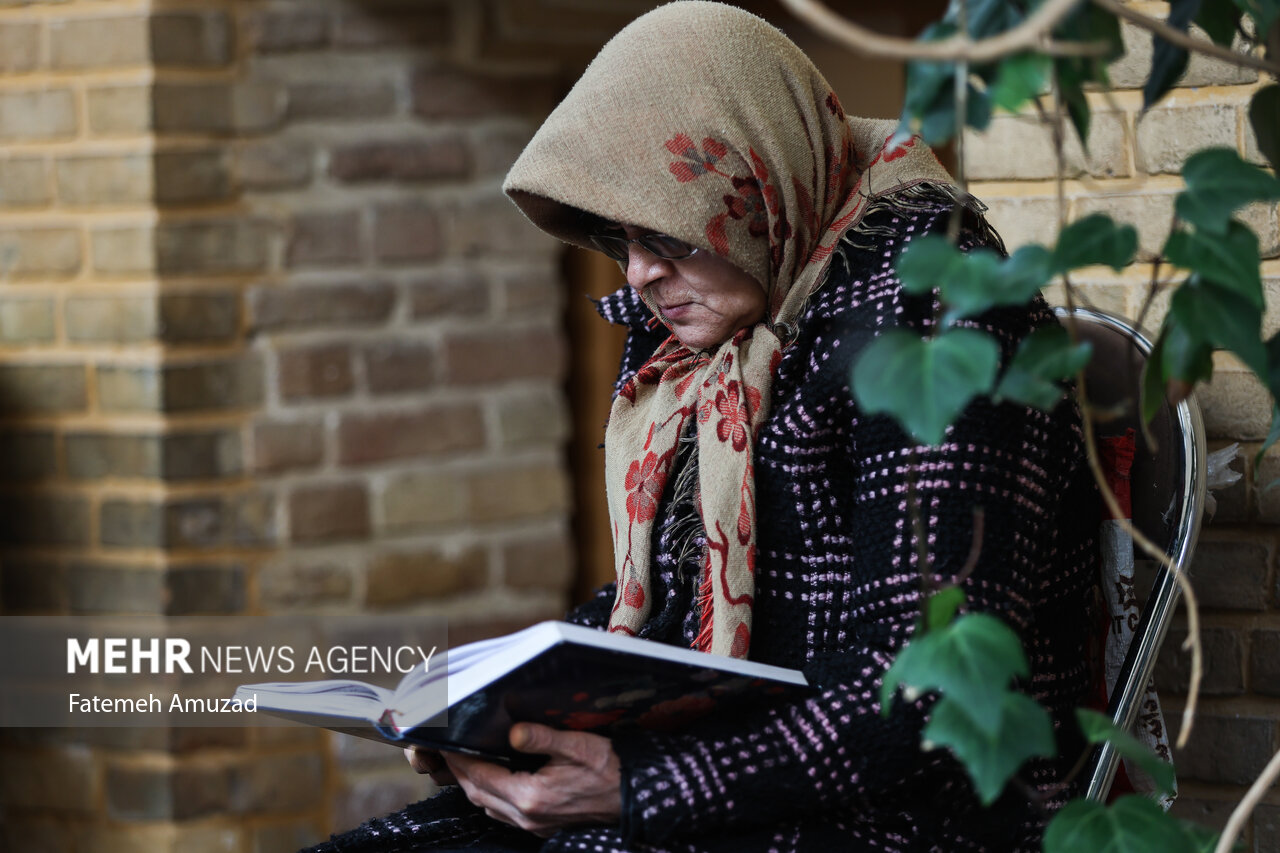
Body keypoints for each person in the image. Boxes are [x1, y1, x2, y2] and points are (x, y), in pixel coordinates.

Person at [306, 2, 1099, 851]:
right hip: (743, 775)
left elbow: (930, 693)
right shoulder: (728, 326)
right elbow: (673, 598)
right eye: (619, 237)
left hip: (912, 810)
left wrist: (637, 786)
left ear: (759, 186)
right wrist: (494, 705)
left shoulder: (939, 318)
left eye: (668, 234)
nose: (641, 273)